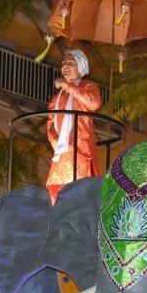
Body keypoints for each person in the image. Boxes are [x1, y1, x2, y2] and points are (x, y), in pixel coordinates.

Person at [45, 48, 102, 203]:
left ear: (80, 67)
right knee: (57, 192)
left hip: (81, 149)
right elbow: (50, 121)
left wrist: (68, 86)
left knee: (81, 191)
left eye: (71, 62)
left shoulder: (88, 86)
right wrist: (53, 139)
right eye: (64, 63)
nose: (66, 66)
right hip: (63, 152)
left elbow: (93, 103)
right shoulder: (57, 96)